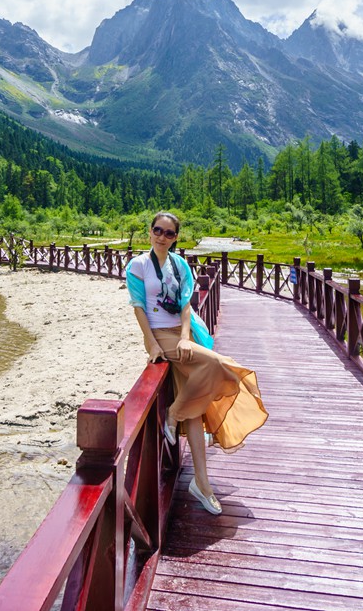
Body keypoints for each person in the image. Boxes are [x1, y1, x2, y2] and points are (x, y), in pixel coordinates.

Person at [125, 212, 267, 515]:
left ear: (176, 237)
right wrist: (151, 342)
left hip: (184, 335)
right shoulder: (137, 266)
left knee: (196, 408)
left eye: (169, 233)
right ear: (149, 233)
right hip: (160, 335)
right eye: (158, 231)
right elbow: (138, 307)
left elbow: (186, 304)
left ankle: (201, 483)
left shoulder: (179, 265)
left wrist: (187, 337)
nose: (163, 237)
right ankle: (174, 416)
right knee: (221, 366)